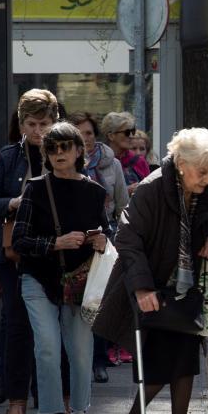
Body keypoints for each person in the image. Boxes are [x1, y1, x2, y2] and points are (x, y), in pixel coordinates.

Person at [96, 127, 208, 414]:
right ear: (182, 164)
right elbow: (127, 238)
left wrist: (207, 240)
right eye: (203, 171)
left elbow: (202, 226)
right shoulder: (153, 188)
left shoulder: (198, 187)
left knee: (185, 362)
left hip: (182, 286)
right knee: (160, 363)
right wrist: (141, 288)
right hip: (151, 286)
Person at [13, 122, 108, 414]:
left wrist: (102, 241)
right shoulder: (36, 188)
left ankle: (79, 411)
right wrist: (56, 243)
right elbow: (19, 240)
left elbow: (107, 233)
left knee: (81, 350)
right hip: (38, 278)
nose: (58, 154)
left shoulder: (95, 191)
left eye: (64, 147)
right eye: (51, 149)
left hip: (80, 281)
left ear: (79, 150)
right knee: (48, 347)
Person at [0, 88, 59, 414]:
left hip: (54, 251)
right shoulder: (9, 156)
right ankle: (16, 398)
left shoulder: (65, 152)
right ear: (21, 124)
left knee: (53, 326)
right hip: (14, 252)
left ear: (56, 122)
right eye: (31, 124)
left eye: (44, 123)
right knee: (17, 325)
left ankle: (51, 395)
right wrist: (14, 202)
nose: (38, 132)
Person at [75, 111, 128, 383]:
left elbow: (122, 205)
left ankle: (99, 361)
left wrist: (116, 239)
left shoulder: (111, 163)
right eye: (80, 133)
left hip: (104, 239)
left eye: (88, 133)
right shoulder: (67, 163)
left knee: (98, 301)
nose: (85, 138)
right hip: (74, 241)